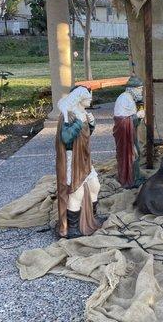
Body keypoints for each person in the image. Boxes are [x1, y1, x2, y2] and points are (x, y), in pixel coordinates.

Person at [55, 86, 103, 239]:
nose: (90, 100)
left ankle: (92, 217)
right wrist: (78, 123)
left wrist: (91, 125)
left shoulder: (82, 113)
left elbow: (84, 137)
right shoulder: (68, 115)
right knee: (77, 192)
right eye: (88, 97)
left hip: (84, 158)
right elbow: (67, 138)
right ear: (79, 99)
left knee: (95, 185)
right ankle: (72, 227)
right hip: (72, 159)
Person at [113, 76, 145, 188]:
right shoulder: (124, 99)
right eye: (140, 89)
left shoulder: (130, 99)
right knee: (131, 155)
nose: (141, 91)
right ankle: (129, 180)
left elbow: (131, 119)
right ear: (133, 89)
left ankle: (135, 176)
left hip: (130, 133)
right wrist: (137, 116)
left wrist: (137, 117)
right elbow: (122, 121)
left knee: (136, 154)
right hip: (125, 134)